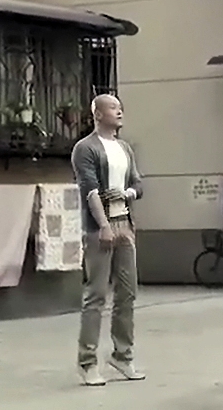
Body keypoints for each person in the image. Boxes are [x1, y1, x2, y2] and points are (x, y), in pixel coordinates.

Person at [71, 94, 145, 386]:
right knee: (96, 295)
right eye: (113, 108)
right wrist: (103, 225)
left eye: (120, 107)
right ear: (98, 114)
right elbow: (89, 189)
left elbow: (137, 183)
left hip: (125, 224)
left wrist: (127, 194)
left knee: (128, 292)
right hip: (99, 227)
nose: (120, 112)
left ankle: (122, 355)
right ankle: (87, 362)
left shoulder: (124, 148)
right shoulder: (85, 148)